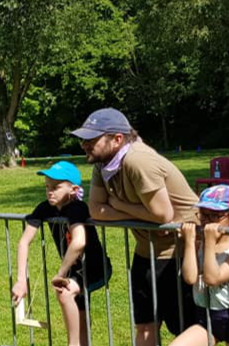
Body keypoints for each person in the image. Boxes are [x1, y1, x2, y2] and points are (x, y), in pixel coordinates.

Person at [71, 107, 199, 345]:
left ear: (117, 139)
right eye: (83, 139)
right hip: (146, 251)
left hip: (181, 250)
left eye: (91, 139)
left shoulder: (137, 160)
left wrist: (117, 204)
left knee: (187, 330)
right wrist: (134, 211)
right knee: (145, 327)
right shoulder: (103, 164)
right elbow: (96, 209)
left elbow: (162, 214)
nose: (84, 145)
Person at [11, 161, 112, 346]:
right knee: (78, 310)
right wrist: (20, 280)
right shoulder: (45, 207)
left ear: (73, 189)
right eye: (47, 186)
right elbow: (24, 241)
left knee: (65, 294)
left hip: (95, 268)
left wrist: (61, 273)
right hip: (75, 270)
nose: (50, 191)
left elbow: (79, 241)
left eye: (56, 187)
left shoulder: (77, 208)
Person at [172, 185, 229, 346]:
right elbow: (190, 277)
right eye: (203, 215)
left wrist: (209, 242)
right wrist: (190, 242)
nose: (206, 222)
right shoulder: (200, 242)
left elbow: (212, 278)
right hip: (207, 317)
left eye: (214, 215)